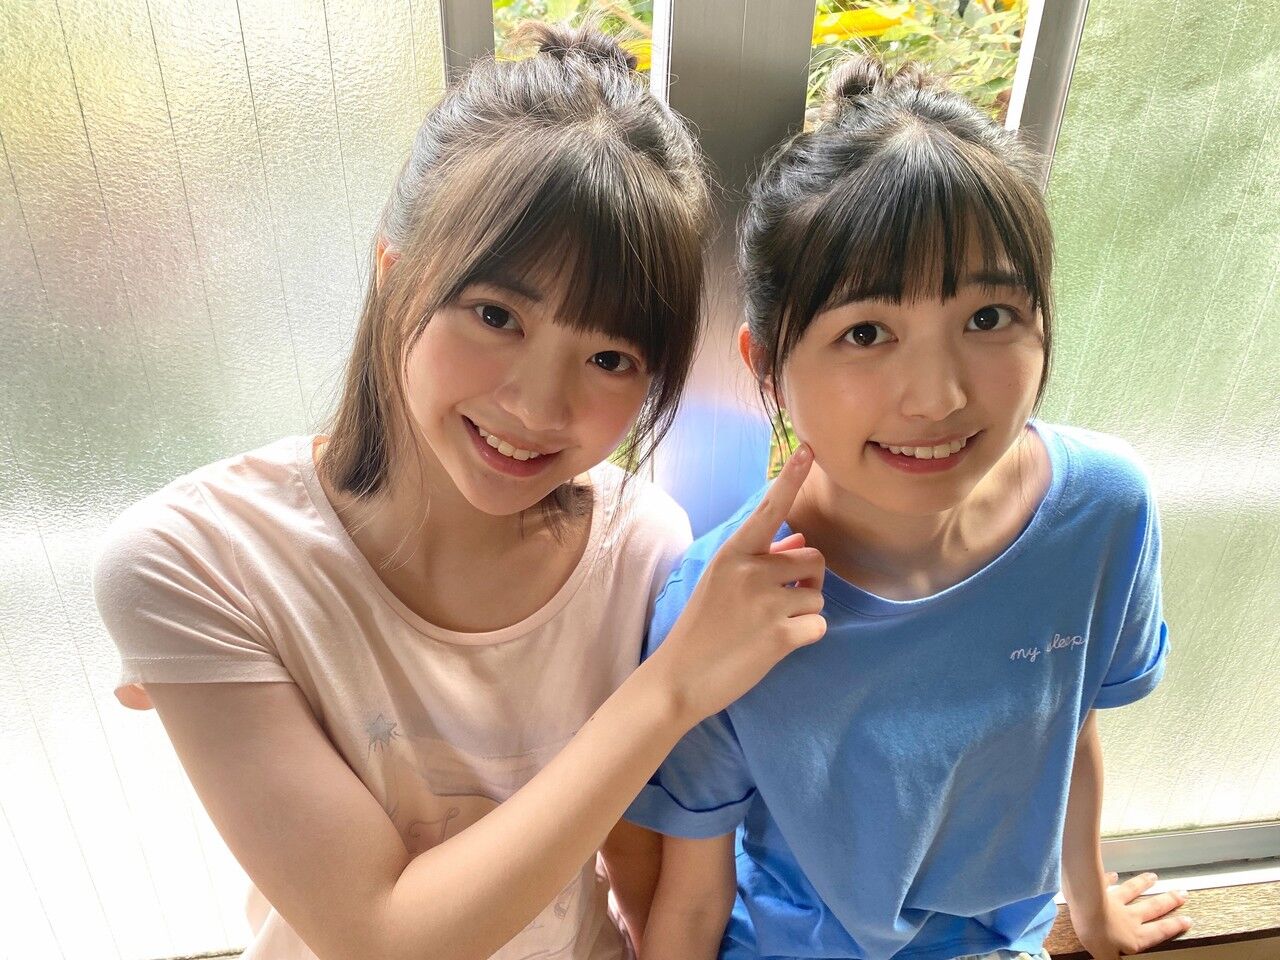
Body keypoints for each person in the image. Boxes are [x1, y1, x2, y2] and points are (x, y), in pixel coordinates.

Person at [91, 24, 827, 960]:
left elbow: (644, 885)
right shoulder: (198, 562)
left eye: (610, 357)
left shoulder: (640, 543)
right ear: (395, 274)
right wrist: (671, 688)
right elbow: (382, 936)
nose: (539, 407)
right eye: (495, 315)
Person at [627, 55, 1191, 960]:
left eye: (988, 318)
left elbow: (1069, 727)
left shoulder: (1103, 509)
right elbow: (693, 903)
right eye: (866, 332)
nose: (937, 398)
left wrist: (1091, 908)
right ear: (766, 365)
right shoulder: (720, 601)